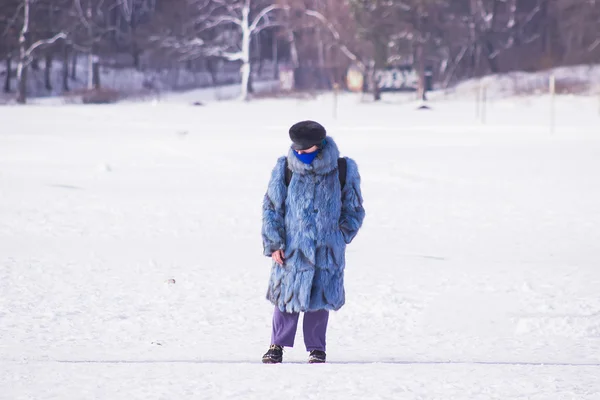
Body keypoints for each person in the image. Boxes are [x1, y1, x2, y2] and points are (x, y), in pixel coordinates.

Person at [261, 120, 365, 364]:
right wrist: (275, 243)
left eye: (305, 149)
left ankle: (316, 348)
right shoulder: (285, 168)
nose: (299, 153)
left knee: (320, 298)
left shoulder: (342, 168)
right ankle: (276, 345)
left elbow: (354, 207)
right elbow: (272, 207)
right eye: (296, 148)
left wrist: (341, 235)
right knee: (286, 298)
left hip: (326, 248)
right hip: (292, 247)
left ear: (319, 146)